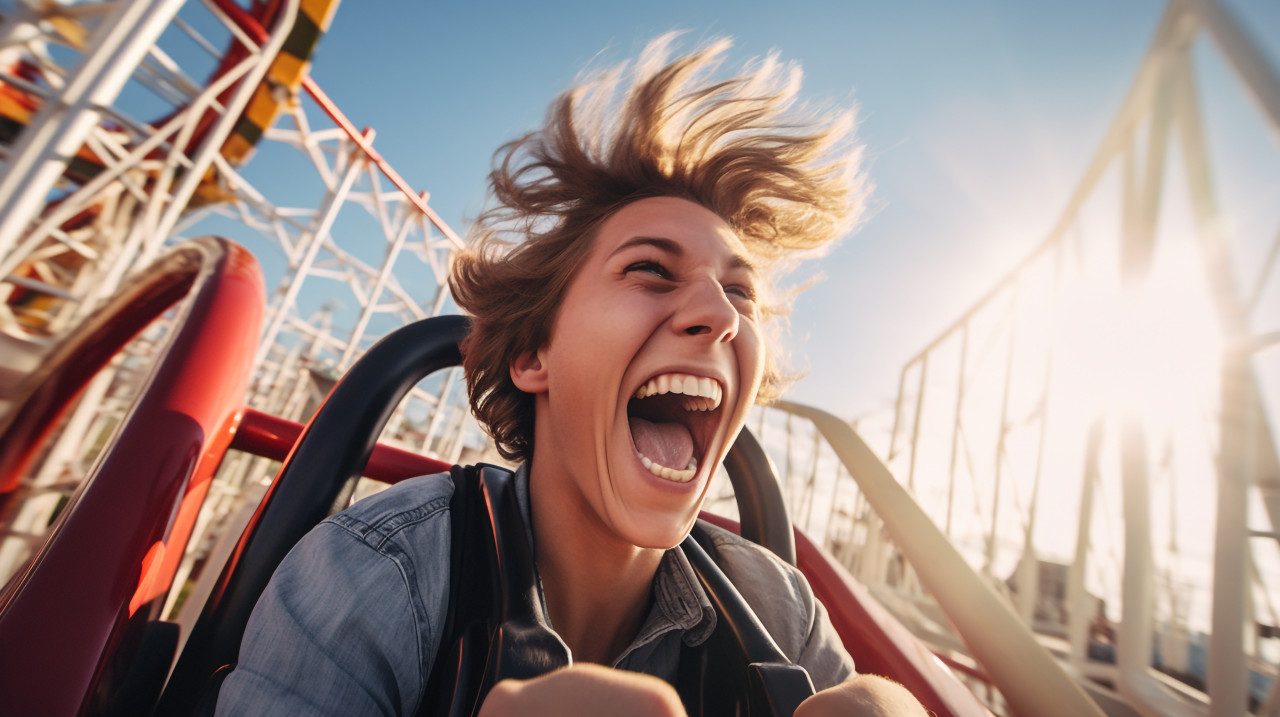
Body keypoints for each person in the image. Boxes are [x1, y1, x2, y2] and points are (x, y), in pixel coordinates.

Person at [217, 34, 926, 716]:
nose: (722, 314)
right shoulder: (374, 576)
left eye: (741, 293)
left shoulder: (780, 608)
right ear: (533, 355)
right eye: (651, 268)